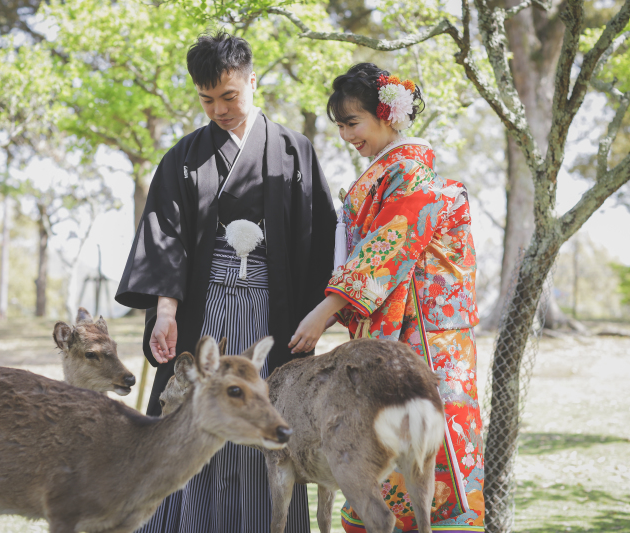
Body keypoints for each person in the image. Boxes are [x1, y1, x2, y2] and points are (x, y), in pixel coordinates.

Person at [115, 31, 336, 533]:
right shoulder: (184, 156)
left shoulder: (294, 151)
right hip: (204, 312)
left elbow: (320, 238)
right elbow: (165, 235)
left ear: (252, 80)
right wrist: (166, 312)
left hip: (270, 316)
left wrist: (317, 317)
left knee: (260, 417)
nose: (218, 109)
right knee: (198, 415)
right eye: (206, 99)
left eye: (229, 96)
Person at [290, 63, 485, 532]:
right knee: (384, 444)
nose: (344, 135)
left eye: (352, 123)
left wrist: (324, 310)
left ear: (388, 116)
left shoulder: (412, 172)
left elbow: (391, 242)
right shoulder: (385, 173)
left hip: (425, 337)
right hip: (403, 330)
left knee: (433, 451)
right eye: (338, 125)